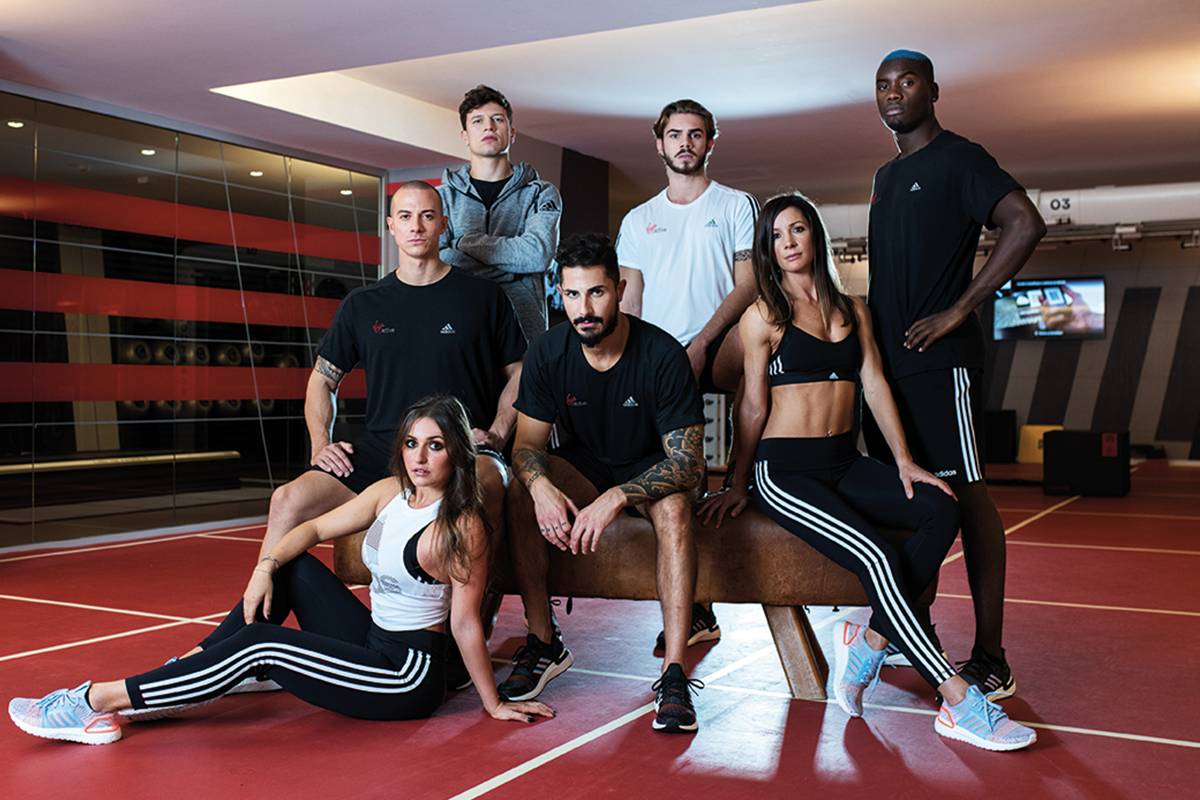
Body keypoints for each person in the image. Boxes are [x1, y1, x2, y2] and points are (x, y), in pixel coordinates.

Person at [8, 395, 556, 745]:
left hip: (406, 676)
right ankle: (187, 673)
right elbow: (312, 530)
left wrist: (495, 704)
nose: (419, 456)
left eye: (435, 446)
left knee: (263, 646)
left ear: (456, 454)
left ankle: (94, 703)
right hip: (372, 639)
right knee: (292, 569)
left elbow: (464, 624)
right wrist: (263, 567)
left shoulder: (462, 527)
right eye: (412, 443)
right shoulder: (392, 491)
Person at [700, 193, 1037, 751]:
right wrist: (738, 481)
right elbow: (752, 405)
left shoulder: (853, 310)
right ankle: (957, 700)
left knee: (940, 507)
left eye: (798, 230)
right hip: (784, 471)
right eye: (777, 235)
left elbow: (875, 384)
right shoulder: (763, 314)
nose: (788, 242)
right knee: (878, 554)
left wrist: (904, 462)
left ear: (816, 237)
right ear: (767, 248)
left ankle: (871, 639)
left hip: (845, 460)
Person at [865, 50, 1046, 699]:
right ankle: (918, 633)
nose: (894, 92)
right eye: (883, 83)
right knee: (914, 505)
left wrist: (961, 308)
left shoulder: (961, 157)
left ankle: (992, 657)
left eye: (906, 80)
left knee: (968, 499)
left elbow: (1025, 222)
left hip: (942, 366)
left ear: (933, 90)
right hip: (890, 371)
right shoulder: (886, 175)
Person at [498, 233, 708, 734]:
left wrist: (615, 498)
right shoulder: (549, 351)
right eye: (572, 295)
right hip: (587, 461)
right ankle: (544, 642)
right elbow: (526, 446)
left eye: (596, 293)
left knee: (677, 510)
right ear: (560, 295)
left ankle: (674, 673)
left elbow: (690, 465)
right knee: (518, 492)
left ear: (619, 289)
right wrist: (543, 488)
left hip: (651, 464)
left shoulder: (662, 355)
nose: (584, 308)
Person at [258, 180, 525, 561]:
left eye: (427, 216)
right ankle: (254, 616)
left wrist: (497, 434)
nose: (416, 226)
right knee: (287, 500)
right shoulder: (362, 305)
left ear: (443, 224)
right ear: (391, 226)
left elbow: (520, 374)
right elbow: (322, 379)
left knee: (487, 485)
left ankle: (459, 620)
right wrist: (321, 443)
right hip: (385, 450)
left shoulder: (483, 298)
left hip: (461, 448)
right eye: (405, 216)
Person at [616, 99, 759, 646]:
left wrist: (700, 344)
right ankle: (697, 609)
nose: (684, 143)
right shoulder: (637, 219)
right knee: (678, 470)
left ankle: (746, 481)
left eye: (695, 134)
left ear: (710, 142)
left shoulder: (735, 204)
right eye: (674, 134)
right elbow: (630, 304)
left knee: (760, 361)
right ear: (659, 143)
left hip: (718, 342)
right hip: (658, 353)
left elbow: (747, 285)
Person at [439, 84, 562, 341]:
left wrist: (464, 243)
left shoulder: (541, 193)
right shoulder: (442, 197)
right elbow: (439, 264)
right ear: (465, 136)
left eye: (498, 119)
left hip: (524, 333)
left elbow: (537, 257)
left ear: (512, 132)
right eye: (478, 120)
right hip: (457, 331)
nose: (489, 127)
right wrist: (514, 271)